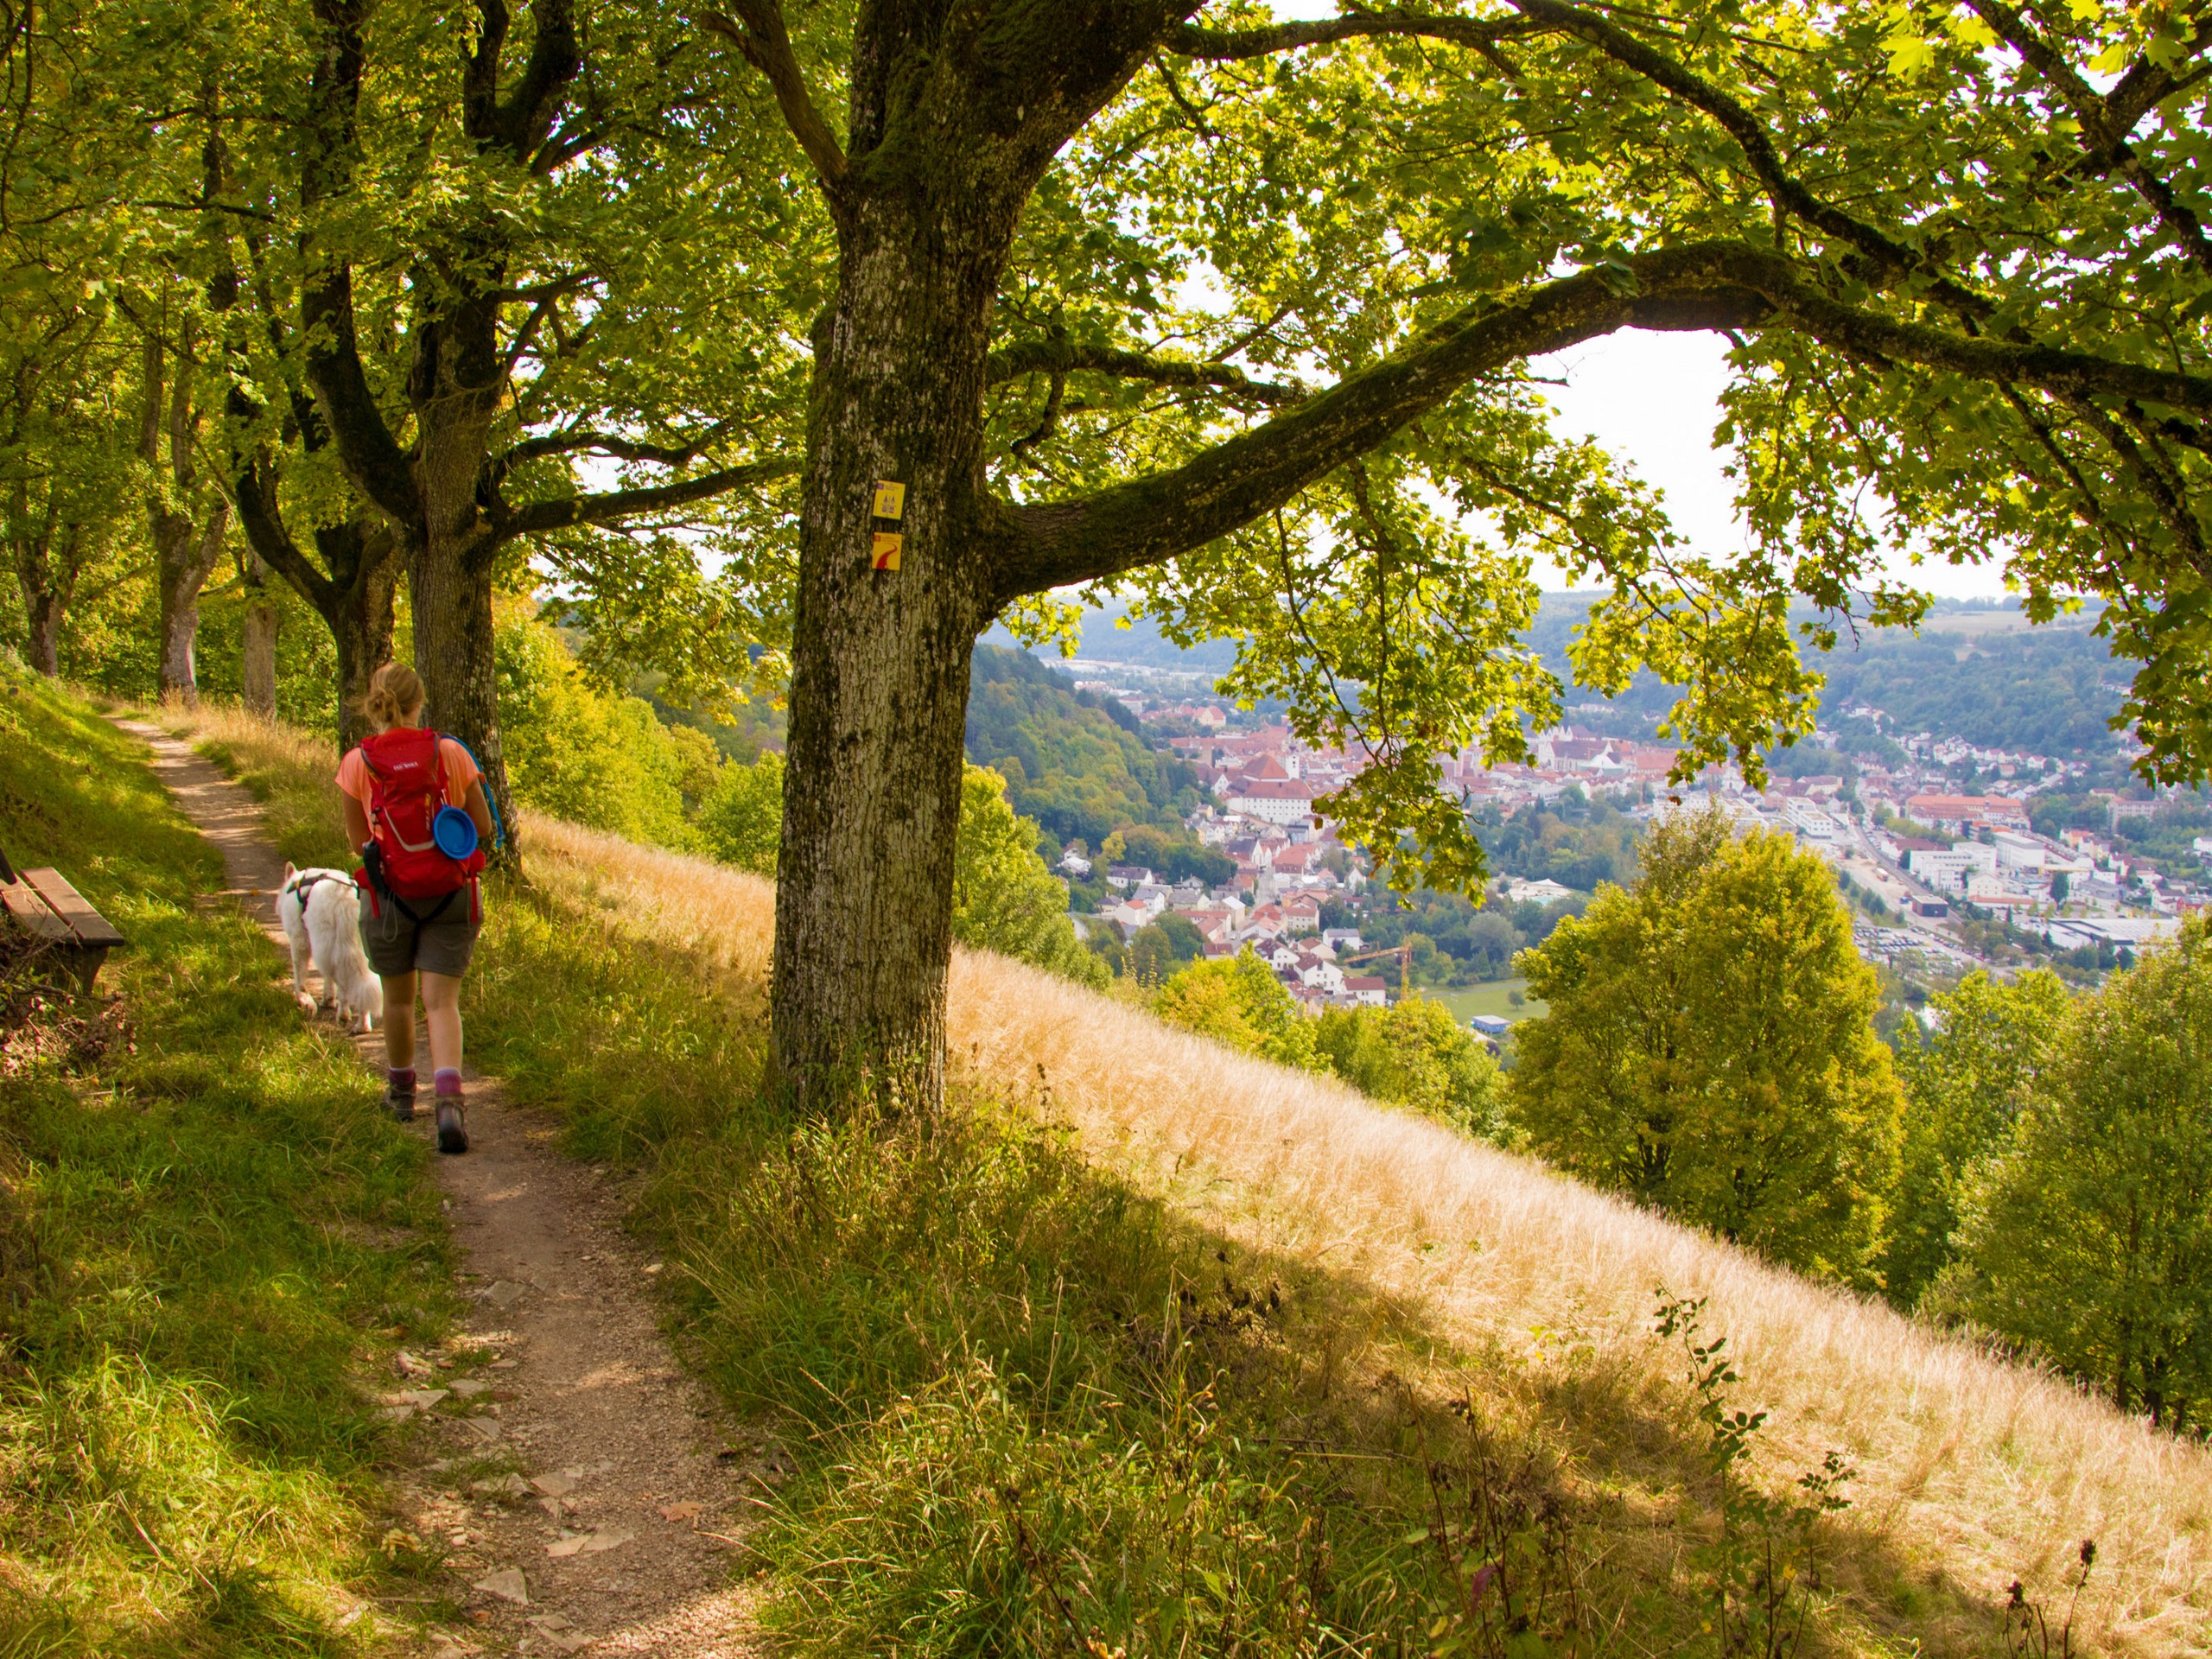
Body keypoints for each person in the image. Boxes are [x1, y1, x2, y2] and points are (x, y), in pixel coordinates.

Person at [336, 663, 495, 1154]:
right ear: (419, 700)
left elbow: (359, 840)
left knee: (400, 1000)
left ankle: (402, 1094)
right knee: (442, 1003)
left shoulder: (356, 763)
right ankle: (449, 1104)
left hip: (389, 900)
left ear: (376, 704)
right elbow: (483, 827)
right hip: (450, 894)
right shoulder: (449, 752)